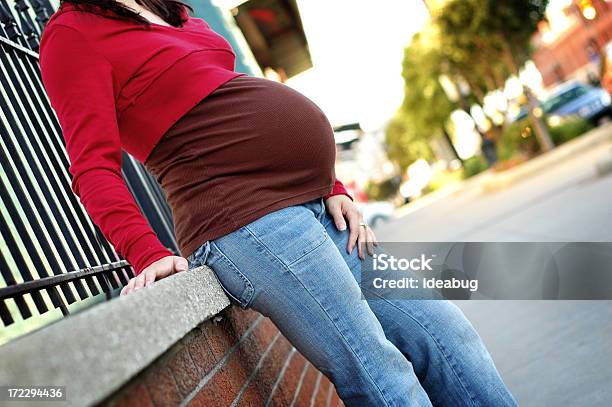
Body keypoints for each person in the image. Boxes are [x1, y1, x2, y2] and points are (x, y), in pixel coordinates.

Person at [39, 1, 518, 405]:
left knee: (445, 335)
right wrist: (148, 252)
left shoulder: (167, 8)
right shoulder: (73, 35)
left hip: (315, 206)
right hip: (249, 221)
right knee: (378, 371)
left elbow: (237, 101)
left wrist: (331, 185)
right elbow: (92, 167)